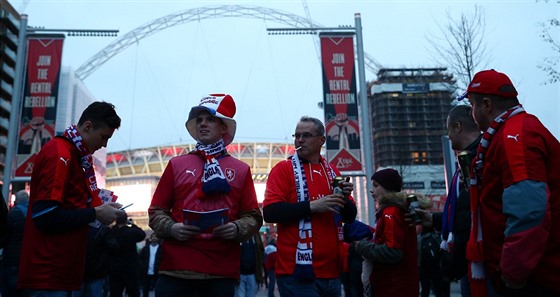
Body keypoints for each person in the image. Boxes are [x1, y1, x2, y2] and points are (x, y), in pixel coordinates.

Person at [148, 94, 262, 297]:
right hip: (176, 268)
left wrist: (236, 228)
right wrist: (172, 228)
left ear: (223, 127)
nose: (202, 124)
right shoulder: (176, 164)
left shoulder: (241, 170)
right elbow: (156, 211)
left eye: (210, 119)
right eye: (199, 120)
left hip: (220, 272)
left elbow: (253, 217)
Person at [459, 69, 560, 296]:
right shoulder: (515, 132)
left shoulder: (515, 137)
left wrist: (513, 271)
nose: (472, 114)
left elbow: (529, 210)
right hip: (534, 273)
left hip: (535, 279)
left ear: (486, 105)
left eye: (473, 106)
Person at [18, 101, 125, 295]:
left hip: (61, 272)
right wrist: (95, 213)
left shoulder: (73, 155)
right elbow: (45, 215)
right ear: (88, 126)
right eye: (103, 137)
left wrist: (96, 209)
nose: (104, 145)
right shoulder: (60, 154)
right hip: (49, 273)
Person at [263, 116, 357, 297]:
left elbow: (349, 217)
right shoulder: (283, 169)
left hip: (332, 272)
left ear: (321, 140)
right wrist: (312, 206)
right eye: (297, 135)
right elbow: (270, 212)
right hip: (297, 273)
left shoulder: (332, 172)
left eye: (306, 135)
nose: (300, 140)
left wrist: (344, 199)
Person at [417, 104, 481, 297]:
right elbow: (463, 211)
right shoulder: (465, 160)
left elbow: (473, 214)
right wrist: (434, 219)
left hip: (479, 259)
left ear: (458, 127)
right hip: (469, 260)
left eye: (449, 130)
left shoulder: (481, 157)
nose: (449, 136)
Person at [354, 168, 419, 297]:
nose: (371, 190)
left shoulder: (391, 212)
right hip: (398, 285)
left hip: (394, 287)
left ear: (388, 187)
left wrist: (362, 246)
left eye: (376, 185)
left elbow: (393, 252)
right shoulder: (396, 210)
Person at [106, 212, 145, 297]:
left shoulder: (110, 232)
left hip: (114, 269)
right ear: (125, 220)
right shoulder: (131, 232)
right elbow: (142, 234)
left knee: (115, 293)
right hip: (130, 268)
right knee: (133, 292)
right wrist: (132, 224)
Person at [1, 190, 29, 297]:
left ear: (17, 201)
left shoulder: (14, 214)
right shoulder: (34, 213)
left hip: (12, 259)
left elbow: (5, 235)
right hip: (28, 259)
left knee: (9, 291)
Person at [73, 224, 111, 297]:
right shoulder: (103, 230)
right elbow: (113, 247)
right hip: (97, 270)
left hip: (80, 270)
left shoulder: (78, 227)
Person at [139, 233, 162, 297]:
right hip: (146, 271)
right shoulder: (145, 248)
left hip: (157, 272)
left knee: (158, 289)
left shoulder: (161, 249)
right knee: (145, 289)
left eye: (155, 237)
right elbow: (140, 258)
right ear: (150, 238)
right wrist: (142, 267)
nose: (154, 238)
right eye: (152, 237)